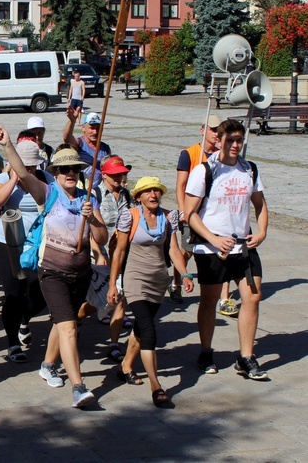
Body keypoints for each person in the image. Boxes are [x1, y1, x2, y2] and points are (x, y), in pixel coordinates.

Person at [0, 125, 108, 408]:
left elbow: (103, 237)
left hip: (80, 272)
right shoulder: (48, 193)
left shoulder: (88, 199)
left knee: (67, 320)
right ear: (55, 173)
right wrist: (8, 145)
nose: (71, 174)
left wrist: (92, 219)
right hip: (52, 271)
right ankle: (78, 386)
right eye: (65, 169)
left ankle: (47, 364)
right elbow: (22, 173)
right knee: (68, 327)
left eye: (75, 169)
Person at [184, 119, 269, 380]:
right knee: (209, 300)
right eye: (230, 140)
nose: (235, 145)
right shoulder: (205, 170)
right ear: (218, 140)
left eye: (239, 140)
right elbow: (190, 214)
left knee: (252, 297)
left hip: (242, 246)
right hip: (212, 249)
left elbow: (260, 204)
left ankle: (246, 357)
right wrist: (213, 238)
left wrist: (262, 232)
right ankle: (206, 351)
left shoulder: (249, 169)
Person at [107, 177, 194, 407]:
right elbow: (119, 252)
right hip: (135, 279)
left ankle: (125, 366)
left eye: (157, 191)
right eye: (147, 191)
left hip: (158, 280)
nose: (153, 195)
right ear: (138, 197)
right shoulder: (130, 216)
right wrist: (113, 283)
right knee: (149, 330)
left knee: (140, 327)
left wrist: (184, 274)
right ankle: (156, 386)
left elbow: (174, 250)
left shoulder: (168, 216)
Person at [0, 140, 51, 362]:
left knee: (40, 291)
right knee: (13, 294)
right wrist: (15, 178)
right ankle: (13, 343)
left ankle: (25, 318)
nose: (29, 171)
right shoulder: (4, 179)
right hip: (8, 245)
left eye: (32, 167)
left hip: (36, 245)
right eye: (25, 166)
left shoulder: (45, 179)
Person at [174, 115, 235, 313]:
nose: (216, 134)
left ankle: (224, 298)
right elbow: (181, 185)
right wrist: (184, 210)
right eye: (212, 129)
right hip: (193, 213)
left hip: (216, 215)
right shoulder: (189, 153)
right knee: (187, 251)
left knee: (224, 254)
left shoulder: (223, 154)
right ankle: (176, 282)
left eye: (219, 130)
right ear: (203, 130)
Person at [90, 154, 134, 362]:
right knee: (94, 301)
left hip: (121, 254)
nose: (120, 178)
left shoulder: (127, 196)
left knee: (119, 297)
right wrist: (98, 253)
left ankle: (114, 344)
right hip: (99, 255)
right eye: (115, 175)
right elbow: (88, 229)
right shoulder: (95, 193)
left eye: (122, 174)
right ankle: (77, 322)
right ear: (104, 175)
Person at [62, 109, 111, 188]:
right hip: (82, 188)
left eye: (98, 128)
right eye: (91, 128)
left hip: (100, 190)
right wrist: (72, 121)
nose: (95, 132)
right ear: (83, 128)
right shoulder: (79, 144)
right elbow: (66, 138)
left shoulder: (105, 148)